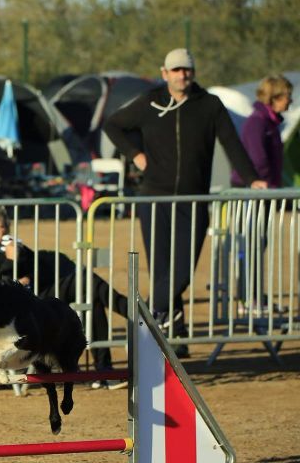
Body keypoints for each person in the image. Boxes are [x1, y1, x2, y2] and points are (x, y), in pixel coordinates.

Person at [103, 48, 268, 355]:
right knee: (163, 270)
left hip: (192, 201)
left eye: (187, 70)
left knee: (182, 271)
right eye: (176, 70)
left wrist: (250, 178)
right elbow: (112, 125)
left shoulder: (209, 105)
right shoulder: (149, 102)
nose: (182, 75)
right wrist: (136, 155)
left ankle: (145, 316)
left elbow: (231, 142)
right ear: (164, 73)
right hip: (154, 198)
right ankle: (174, 337)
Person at [0, 208, 130, 388]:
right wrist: (12, 264)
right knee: (89, 284)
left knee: (90, 289)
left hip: (38, 296)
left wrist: (23, 270)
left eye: (1, 226)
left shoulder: (14, 245)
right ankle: (136, 313)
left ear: (8, 227)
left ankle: (104, 370)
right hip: (17, 312)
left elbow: (35, 266)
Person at [228, 74, 293, 314]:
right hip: (252, 194)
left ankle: (255, 296)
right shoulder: (258, 122)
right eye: (287, 96)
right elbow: (258, 160)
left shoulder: (270, 122)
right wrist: (269, 186)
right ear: (275, 96)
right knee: (251, 245)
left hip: (264, 194)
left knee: (258, 245)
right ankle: (248, 299)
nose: (290, 101)